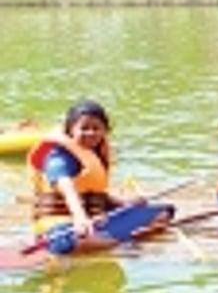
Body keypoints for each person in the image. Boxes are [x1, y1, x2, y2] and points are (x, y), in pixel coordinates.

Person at [27, 100, 173, 256]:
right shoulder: (59, 157)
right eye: (84, 128)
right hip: (60, 227)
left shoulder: (95, 153)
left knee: (162, 213)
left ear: (105, 130)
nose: (91, 133)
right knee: (83, 240)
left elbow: (94, 192)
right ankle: (117, 242)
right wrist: (80, 217)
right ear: (71, 130)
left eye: (96, 128)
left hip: (95, 222)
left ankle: (113, 240)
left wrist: (124, 203)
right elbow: (66, 187)